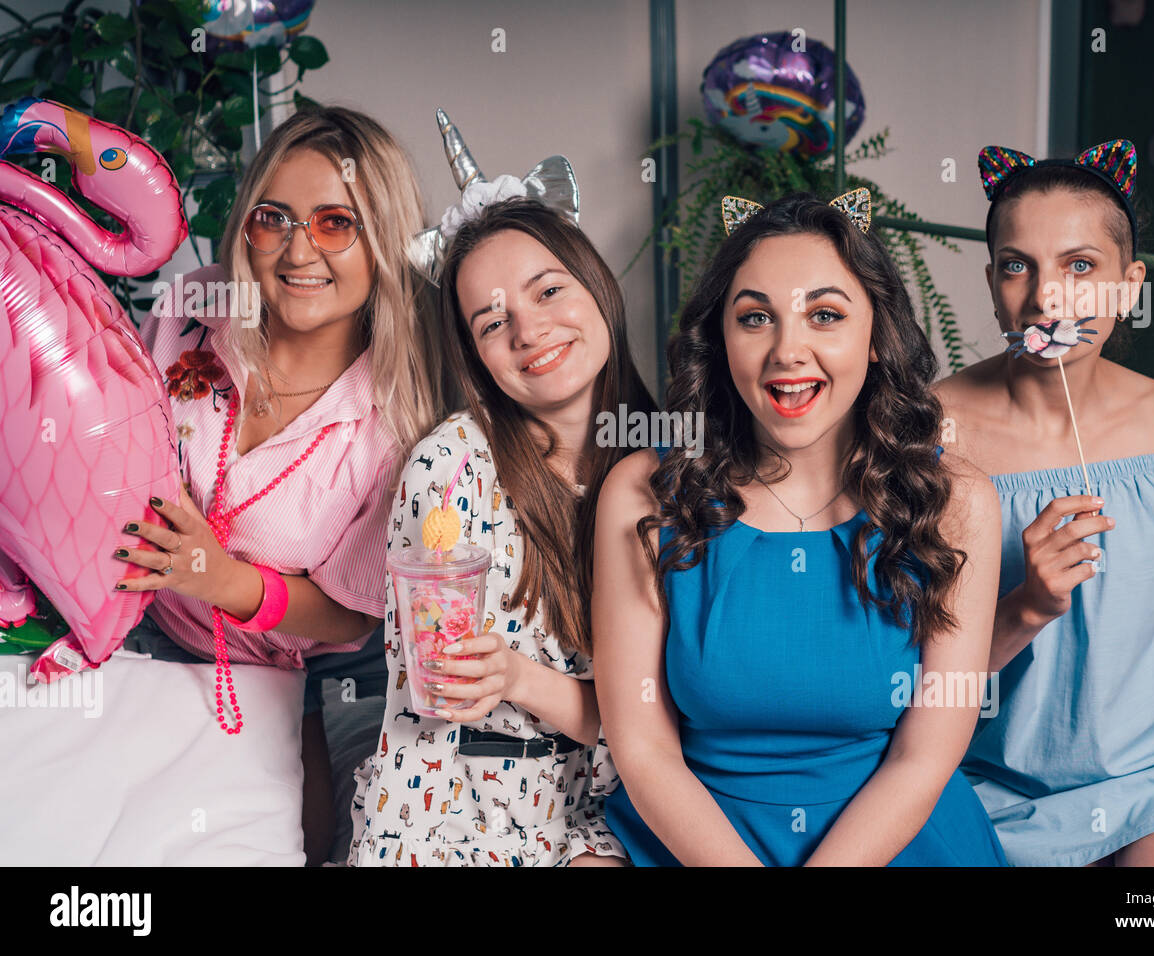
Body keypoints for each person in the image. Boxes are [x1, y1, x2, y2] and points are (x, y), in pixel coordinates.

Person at [592, 191, 1008, 866]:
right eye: (756, 317)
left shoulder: (957, 502)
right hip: (697, 844)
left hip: (892, 839)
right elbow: (642, 746)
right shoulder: (646, 494)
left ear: (876, 339)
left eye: (825, 315)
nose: (790, 350)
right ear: (720, 340)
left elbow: (926, 753)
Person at [936, 140, 1154, 866]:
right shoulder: (929, 432)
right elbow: (913, 664)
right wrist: (1026, 603)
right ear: (991, 281)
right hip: (988, 783)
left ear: (1129, 287)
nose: (1045, 299)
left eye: (1081, 267)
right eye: (1016, 266)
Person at [120, 106, 444, 866]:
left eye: (337, 223)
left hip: (298, 672)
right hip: (140, 637)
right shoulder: (191, 309)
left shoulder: (401, 419)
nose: (300, 250)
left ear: (385, 241)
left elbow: (345, 616)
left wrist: (223, 578)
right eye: (275, 219)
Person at [347, 118, 657, 865]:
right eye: (493, 322)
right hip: (461, 806)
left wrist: (523, 679)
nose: (530, 330)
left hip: (629, 805)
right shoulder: (449, 470)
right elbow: (424, 715)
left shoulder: (680, 465)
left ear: (597, 284)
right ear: (477, 355)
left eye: (549, 289)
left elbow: (677, 716)